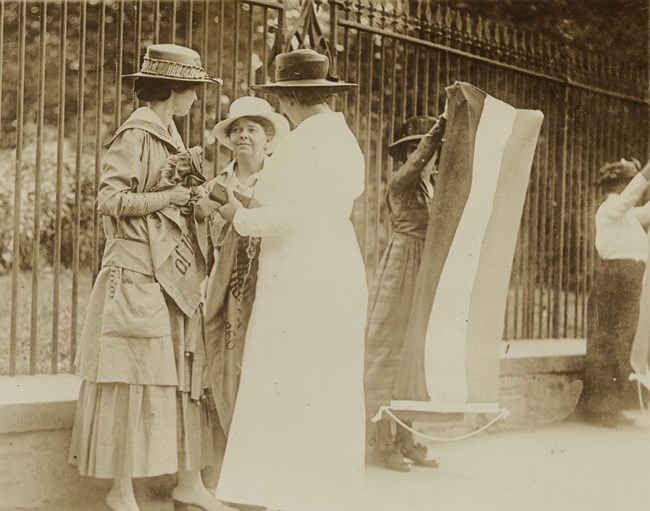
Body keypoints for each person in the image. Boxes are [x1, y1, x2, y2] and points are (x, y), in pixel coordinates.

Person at [67, 44, 231, 511]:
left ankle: (189, 484)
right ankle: (120, 493)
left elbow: (170, 197)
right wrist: (173, 195)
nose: (197, 99)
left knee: (182, 377)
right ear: (174, 89)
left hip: (169, 274)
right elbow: (110, 201)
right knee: (130, 380)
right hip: (135, 273)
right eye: (194, 89)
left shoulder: (170, 133)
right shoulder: (135, 134)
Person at [213, 49, 368, 511]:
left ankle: (278, 489)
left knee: (288, 376)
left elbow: (291, 216)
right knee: (323, 381)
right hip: (335, 264)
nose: (281, 108)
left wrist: (237, 215)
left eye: (281, 99)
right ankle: (318, 490)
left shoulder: (305, 142)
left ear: (293, 99)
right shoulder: (342, 138)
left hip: (303, 273)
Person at [194, 96, 289, 479]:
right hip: (225, 288)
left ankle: (264, 470)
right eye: (237, 129)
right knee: (224, 366)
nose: (243, 134)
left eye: (253, 128)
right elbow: (201, 238)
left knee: (267, 371)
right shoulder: (216, 186)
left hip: (271, 285)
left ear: (268, 139)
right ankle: (229, 469)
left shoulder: (281, 180)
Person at [363, 115, 446, 472]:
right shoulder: (400, 183)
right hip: (401, 267)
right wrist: (440, 128)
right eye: (412, 149)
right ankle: (381, 443)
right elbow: (416, 165)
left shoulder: (437, 188)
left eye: (423, 148)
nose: (420, 156)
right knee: (388, 352)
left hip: (425, 271)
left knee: (415, 356)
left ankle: (406, 437)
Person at [577, 157, 650, 427]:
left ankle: (612, 406)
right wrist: (645, 174)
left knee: (622, 342)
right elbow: (631, 198)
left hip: (628, 280)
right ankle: (599, 409)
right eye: (627, 181)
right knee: (607, 341)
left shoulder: (628, 215)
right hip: (614, 280)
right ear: (618, 184)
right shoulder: (609, 207)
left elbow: (645, 211)